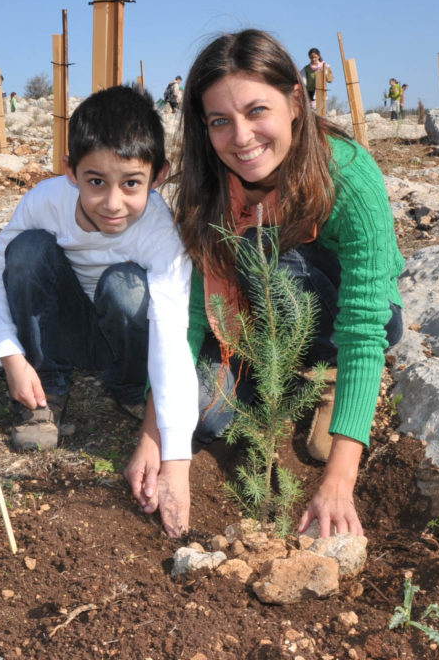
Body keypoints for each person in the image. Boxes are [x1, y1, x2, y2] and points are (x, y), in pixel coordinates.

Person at [125, 29, 404, 540]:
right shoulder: (206, 190)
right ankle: (274, 389)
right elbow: (186, 318)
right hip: (251, 328)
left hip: (338, 318)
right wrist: (157, 438)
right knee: (204, 419)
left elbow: (365, 327)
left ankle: (328, 378)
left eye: (257, 111)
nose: (242, 137)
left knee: (269, 255)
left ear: (295, 100)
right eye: (219, 122)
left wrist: (338, 481)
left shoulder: (349, 178)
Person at [0, 85, 195, 454]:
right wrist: (10, 357)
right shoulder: (45, 202)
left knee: (127, 287)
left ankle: (130, 389)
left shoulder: (159, 230)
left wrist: (167, 433)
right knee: (27, 250)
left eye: (131, 183)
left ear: (158, 177)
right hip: (65, 331)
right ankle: (44, 391)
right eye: (96, 182)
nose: (113, 203)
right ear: (71, 172)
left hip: (127, 344)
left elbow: (172, 323)